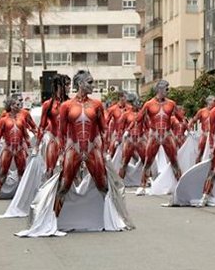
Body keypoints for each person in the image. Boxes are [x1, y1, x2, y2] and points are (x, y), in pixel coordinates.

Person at [53, 70, 109, 216]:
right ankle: (53, 219)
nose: (93, 85)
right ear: (80, 83)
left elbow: (104, 129)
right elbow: (61, 132)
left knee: (103, 185)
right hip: (74, 148)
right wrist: (61, 153)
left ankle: (110, 218)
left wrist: (105, 151)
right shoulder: (66, 106)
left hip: (92, 149)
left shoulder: (97, 104)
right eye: (90, 82)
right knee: (64, 185)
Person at [135, 80, 181, 193]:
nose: (168, 91)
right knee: (148, 161)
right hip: (154, 135)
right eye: (166, 88)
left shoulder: (171, 103)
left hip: (167, 134)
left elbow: (181, 118)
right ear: (160, 89)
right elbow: (138, 119)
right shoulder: (148, 104)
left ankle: (180, 185)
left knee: (174, 161)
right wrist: (139, 133)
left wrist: (185, 130)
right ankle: (142, 185)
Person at [0, 94, 37, 200]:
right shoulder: (3, 120)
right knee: (3, 171)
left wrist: (30, 147)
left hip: (20, 148)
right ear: (11, 106)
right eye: (17, 104)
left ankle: (21, 193)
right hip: (8, 148)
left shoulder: (22, 119)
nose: (19, 106)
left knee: (22, 171)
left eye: (19, 104)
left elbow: (26, 135)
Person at [36, 74, 69, 180]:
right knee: (50, 170)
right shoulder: (48, 104)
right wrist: (36, 145)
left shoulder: (71, 103)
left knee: (70, 173)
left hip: (68, 142)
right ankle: (49, 189)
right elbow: (42, 126)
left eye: (69, 84)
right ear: (58, 86)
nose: (69, 87)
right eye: (66, 84)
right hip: (53, 139)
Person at [116, 93, 145, 179]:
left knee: (146, 161)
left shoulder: (142, 114)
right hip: (129, 140)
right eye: (137, 102)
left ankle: (146, 180)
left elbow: (148, 126)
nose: (139, 104)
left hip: (140, 140)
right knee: (124, 162)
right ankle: (120, 181)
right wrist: (118, 139)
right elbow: (120, 128)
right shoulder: (126, 114)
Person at [188, 95, 215, 164]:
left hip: (213, 135)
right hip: (204, 134)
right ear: (209, 101)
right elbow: (193, 120)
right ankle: (196, 166)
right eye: (214, 101)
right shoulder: (202, 111)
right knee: (199, 153)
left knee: (214, 154)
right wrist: (189, 129)